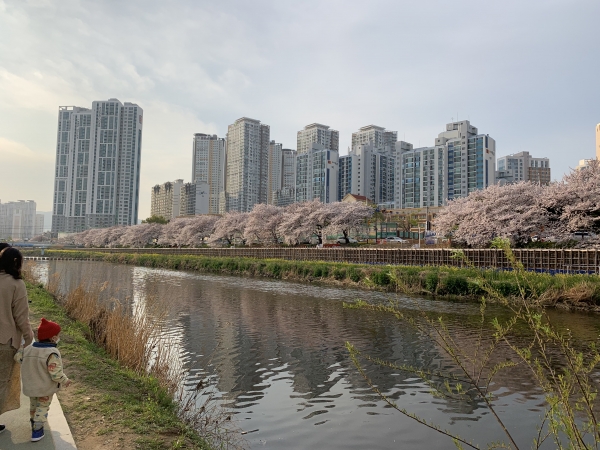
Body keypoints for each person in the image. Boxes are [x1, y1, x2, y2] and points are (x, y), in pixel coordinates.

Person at [15, 318, 71, 442]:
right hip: (45, 388)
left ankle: (33, 423)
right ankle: (37, 430)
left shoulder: (28, 349)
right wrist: (65, 380)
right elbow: (55, 373)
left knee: (33, 407)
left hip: (31, 386)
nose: (58, 337)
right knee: (43, 408)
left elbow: (18, 358)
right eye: (58, 335)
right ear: (52, 338)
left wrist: (20, 348)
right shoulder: (51, 353)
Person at [0, 246, 33, 434]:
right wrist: (29, 338)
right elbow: (21, 317)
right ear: (16, 263)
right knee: (1, 382)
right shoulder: (16, 284)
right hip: (4, 340)